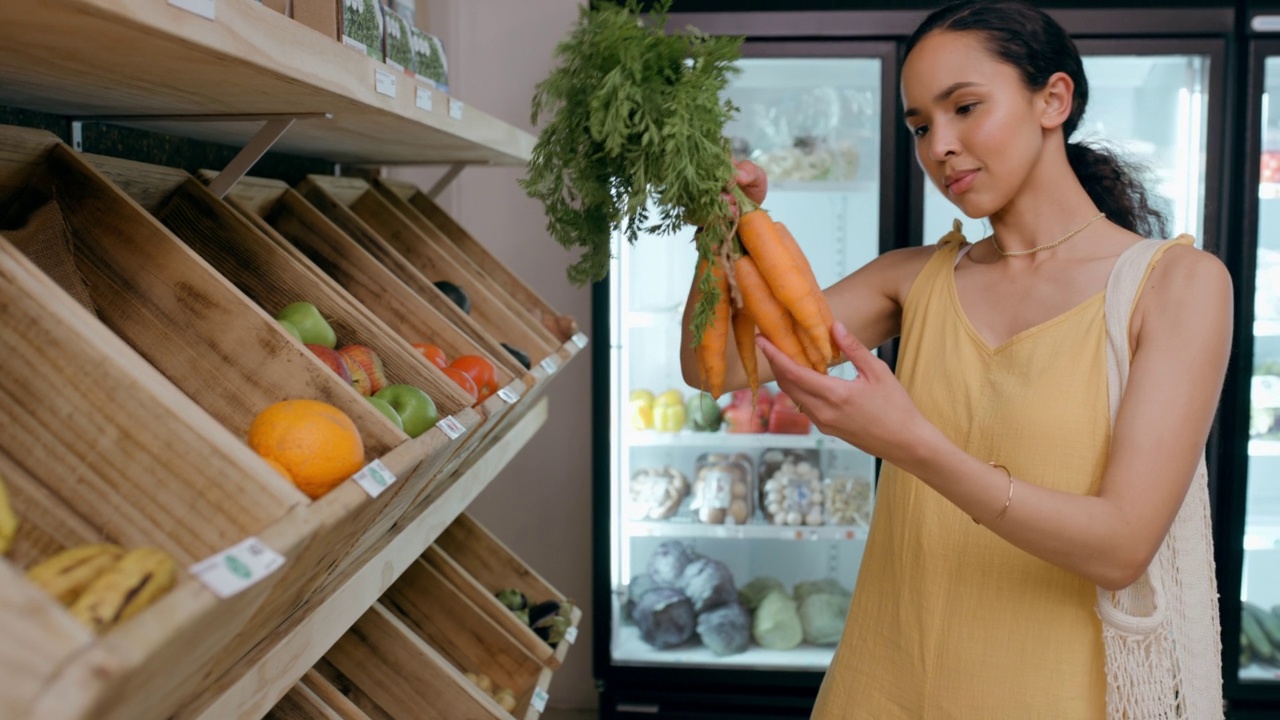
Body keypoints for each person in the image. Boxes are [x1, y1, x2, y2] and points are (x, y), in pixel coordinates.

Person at [678, 1, 1233, 717]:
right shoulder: (911, 280)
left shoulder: (1176, 285)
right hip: (881, 689)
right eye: (919, 126)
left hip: (1053, 698)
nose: (940, 145)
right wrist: (722, 237)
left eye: (965, 107)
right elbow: (714, 369)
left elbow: (1121, 545)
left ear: (1052, 100)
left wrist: (909, 444)